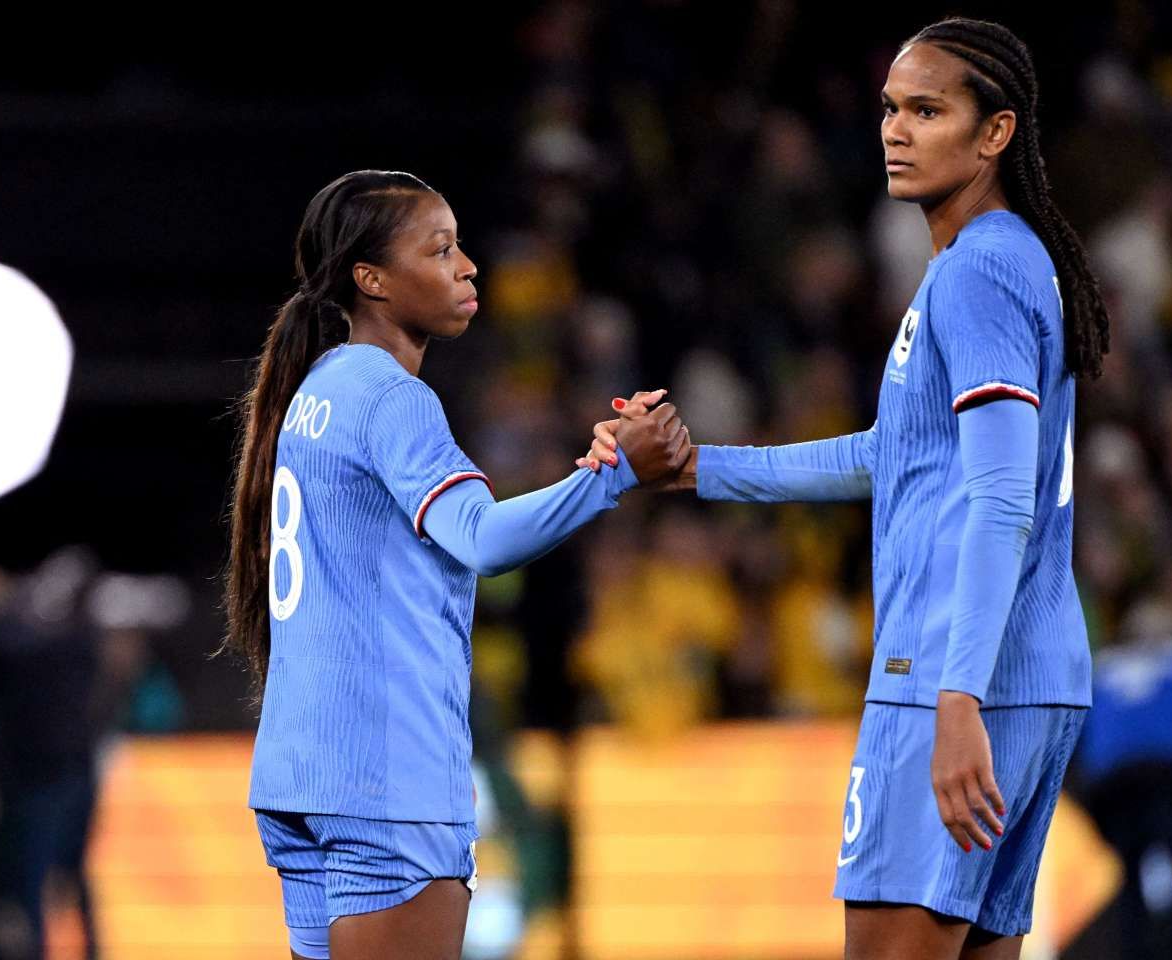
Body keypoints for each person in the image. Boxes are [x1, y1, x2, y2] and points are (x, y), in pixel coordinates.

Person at [582, 19, 1109, 960]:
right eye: (890, 109)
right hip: (1032, 677)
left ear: (995, 134)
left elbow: (997, 499)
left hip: (949, 682)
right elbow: (894, 456)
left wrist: (957, 703)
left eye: (927, 109)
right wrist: (702, 468)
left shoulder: (979, 270)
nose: (895, 131)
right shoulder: (997, 262)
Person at [222, 170, 688, 960]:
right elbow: (483, 539)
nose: (468, 266)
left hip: (304, 773)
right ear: (370, 280)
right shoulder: (392, 396)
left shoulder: (315, 389)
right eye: (440, 250)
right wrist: (613, 474)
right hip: (387, 777)